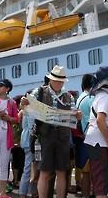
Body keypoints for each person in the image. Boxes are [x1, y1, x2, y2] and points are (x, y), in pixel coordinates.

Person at [21, 66, 82, 198]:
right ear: (50, 80)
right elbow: (26, 104)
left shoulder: (68, 96)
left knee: (61, 171)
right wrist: (24, 103)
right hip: (45, 135)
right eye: (56, 80)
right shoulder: (39, 92)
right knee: (44, 171)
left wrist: (77, 115)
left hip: (63, 136)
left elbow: (74, 111)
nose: (59, 83)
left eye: (61, 81)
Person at [84, 66, 108, 198]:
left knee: (99, 178)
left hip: (95, 141)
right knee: (101, 179)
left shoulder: (100, 96)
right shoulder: (105, 98)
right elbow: (101, 120)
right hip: (99, 143)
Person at [74, 74, 95, 198]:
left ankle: (85, 194)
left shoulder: (80, 98)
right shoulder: (90, 98)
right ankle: (91, 193)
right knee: (91, 169)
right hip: (91, 137)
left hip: (82, 136)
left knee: (85, 170)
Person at [19, 92, 35, 198]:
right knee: (30, 168)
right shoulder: (30, 110)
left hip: (25, 140)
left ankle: (26, 192)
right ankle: (24, 192)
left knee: (28, 168)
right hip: (30, 141)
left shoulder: (24, 110)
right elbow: (32, 128)